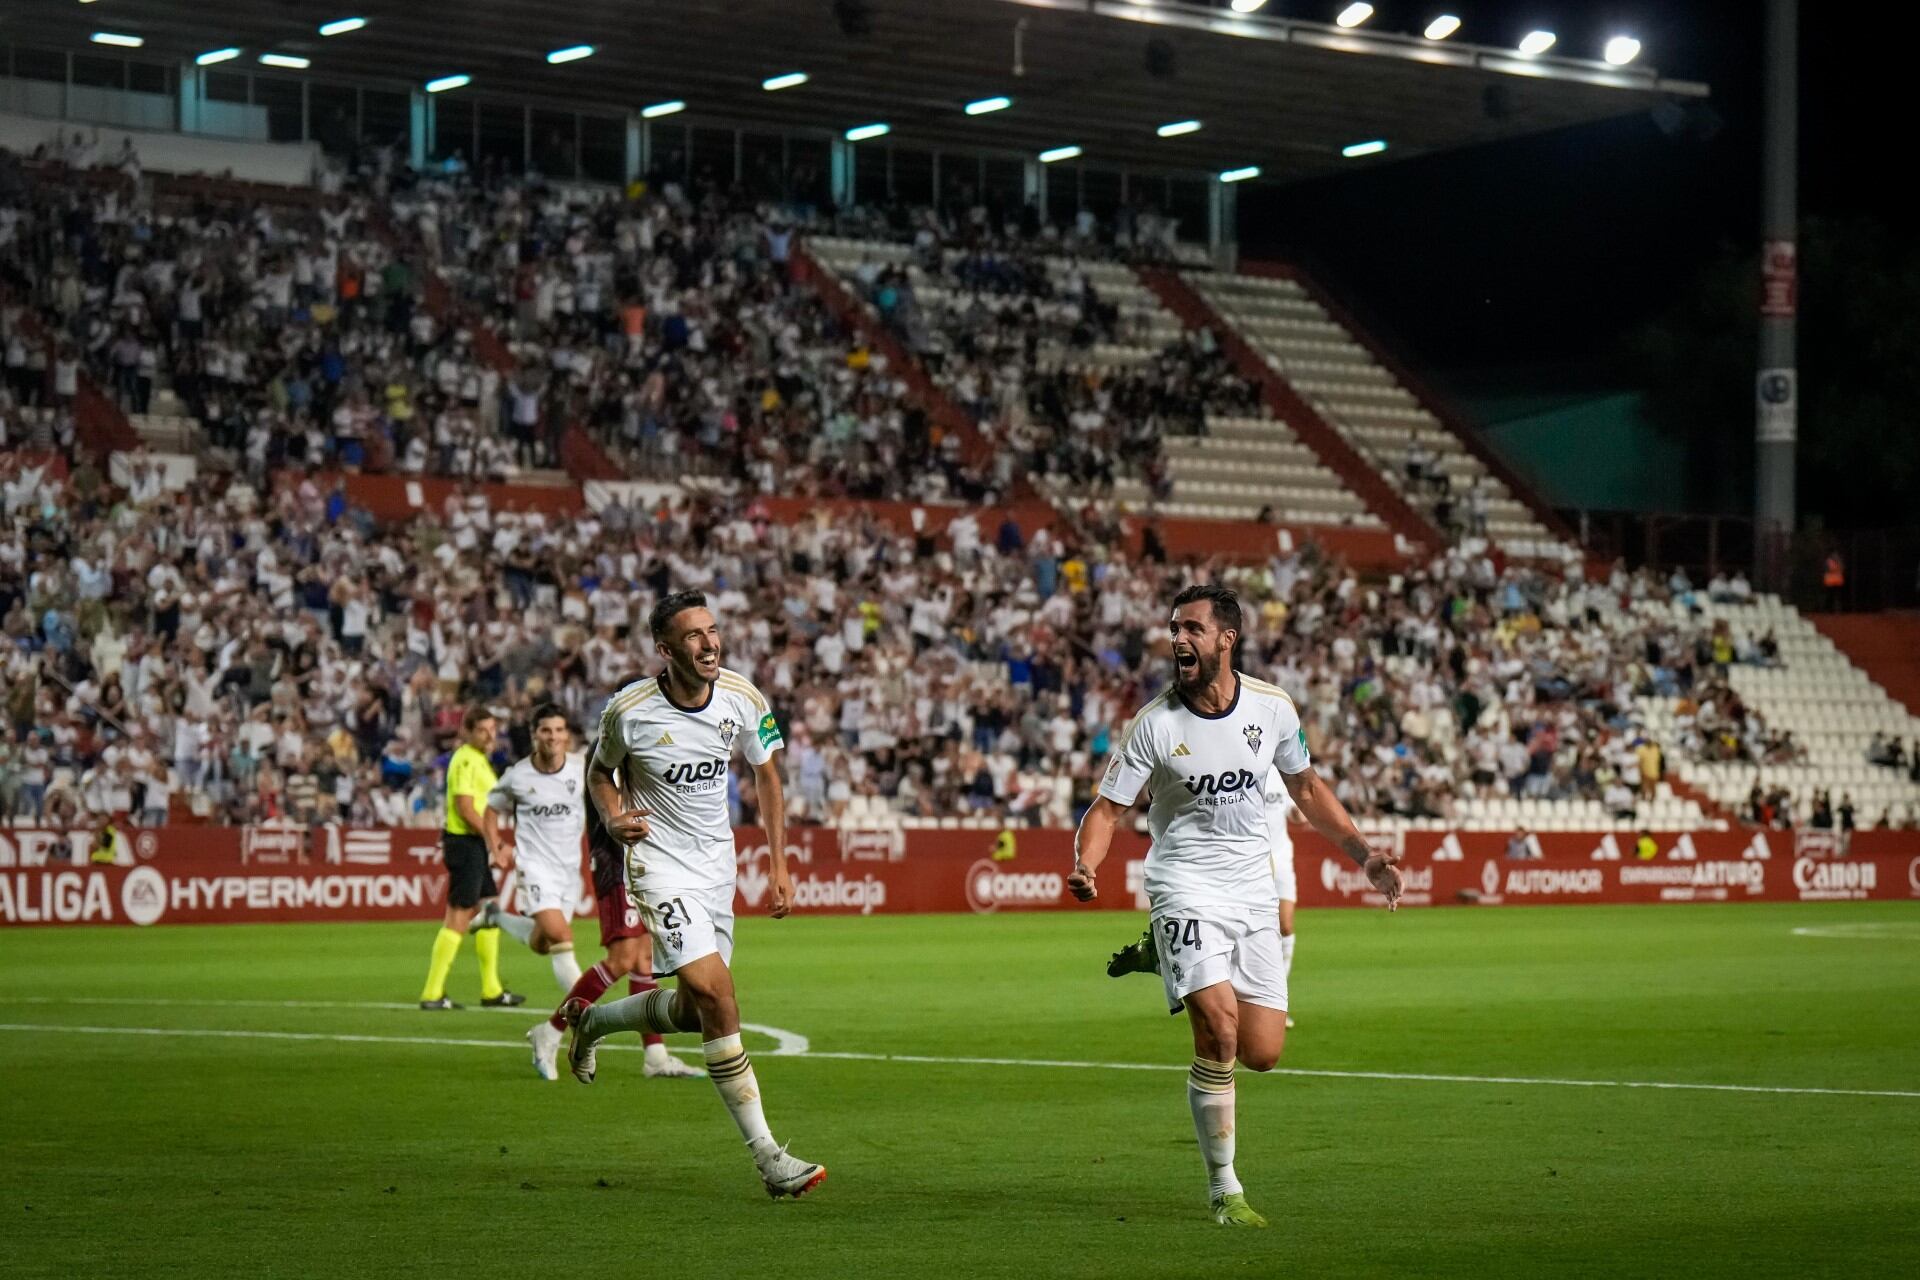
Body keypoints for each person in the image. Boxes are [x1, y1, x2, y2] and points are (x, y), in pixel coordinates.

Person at [1067, 583, 1402, 1229]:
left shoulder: (1272, 708)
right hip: (1185, 884)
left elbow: (1306, 787)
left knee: (1263, 1052)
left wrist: (1364, 856)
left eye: (1192, 628)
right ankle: (1225, 1190)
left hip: (1252, 890)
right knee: (1217, 1030)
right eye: (1174, 628)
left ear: (1227, 637)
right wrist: (1087, 864)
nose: (1178, 639)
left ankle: (1162, 955)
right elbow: (1108, 809)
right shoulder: (1157, 723)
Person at [562, 590, 825, 1199]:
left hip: (717, 870)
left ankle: (594, 1020)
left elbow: (767, 775)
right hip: (658, 867)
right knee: (719, 994)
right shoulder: (628, 709)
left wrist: (780, 865)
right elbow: (600, 772)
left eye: (713, 631)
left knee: (690, 1009)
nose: (709, 644)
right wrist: (611, 815)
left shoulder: (742, 696)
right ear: (665, 649)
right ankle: (769, 1158)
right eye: (693, 637)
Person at [523, 698, 704, 1083]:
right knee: (622, 957)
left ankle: (655, 1055)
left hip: (641, 863)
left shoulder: (634, 742)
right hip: (616, 864)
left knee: (642, 959)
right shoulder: (610, 748)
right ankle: (552, 1030)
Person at [1109, 764, 1302, 1030]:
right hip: (1236, 863)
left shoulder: (1283, 773)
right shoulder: (1236, 763)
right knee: (1224, 931)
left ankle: (1274, 1004)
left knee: (1285, 924)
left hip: (1278, 859)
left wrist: (1299, 814)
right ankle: (1173, 962)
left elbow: (1295, 808)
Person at [417, 705, 525, 1010]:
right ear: (467, 731)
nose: (490, 735)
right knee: (460, 915)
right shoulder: (465, 759)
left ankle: (491, 990)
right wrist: (494, 841)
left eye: (492, 729)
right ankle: (432, 992)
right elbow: (465, 808)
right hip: (464, 843)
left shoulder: (479, 760)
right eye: (483, 730)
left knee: (488, 909)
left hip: (473, 845)